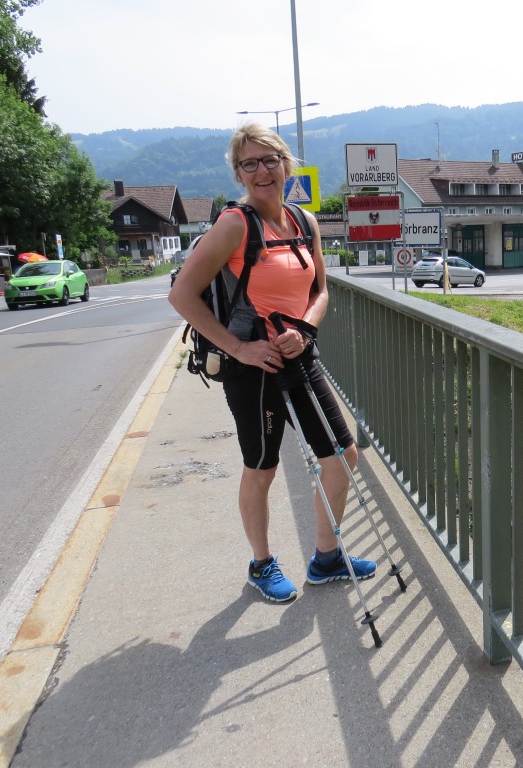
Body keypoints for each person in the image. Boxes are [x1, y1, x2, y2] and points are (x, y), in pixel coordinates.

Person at [169, 122, 374, 603]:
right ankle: (261, 564)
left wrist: (305, 330)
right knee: (262, 468)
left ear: (287, 164)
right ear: (239, 173)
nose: (262, 171)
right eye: (249, 164)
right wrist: (239, 348)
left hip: (300, 358)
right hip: (252, 370)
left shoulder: (305, 222)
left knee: (342, 454)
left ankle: (326, 558)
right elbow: (182, 294)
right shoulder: (234, 225)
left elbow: (321, 291)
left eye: (269, 160)